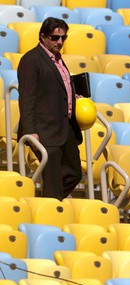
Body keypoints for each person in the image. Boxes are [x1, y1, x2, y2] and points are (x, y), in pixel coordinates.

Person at [17, 17, 82, 200]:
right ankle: (50, 215)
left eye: (63, 38)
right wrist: (31, 132)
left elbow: (59, 89)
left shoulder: (59, 60)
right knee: (53, 179)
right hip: (44, 130)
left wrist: (73, 97)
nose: (59, 42)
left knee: (74, 173)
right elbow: (27, 97)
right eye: (55, 38)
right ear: (43, 36)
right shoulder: (31, 60)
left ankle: (49, 203)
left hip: (65, 127)